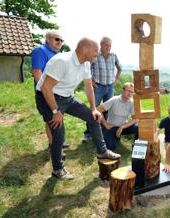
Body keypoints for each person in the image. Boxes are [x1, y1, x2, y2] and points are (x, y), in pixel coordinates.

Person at [35, 38, 121, 180]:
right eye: (95, 51)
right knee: (59, 134)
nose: (98, 54)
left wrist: (94, 108)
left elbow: (88, 86)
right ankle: (57, 169)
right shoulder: (62, 61)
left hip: (68, 98)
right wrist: (56, 111)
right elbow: (46, 88)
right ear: (84, 50)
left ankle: (102, 151)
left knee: (94, 118)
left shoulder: (86, 63)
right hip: (47, 98)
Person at [31, 31, 70, 150]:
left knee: (58, 118)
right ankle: (54, 146)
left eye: (61, 40)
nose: (59, 42)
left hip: (58, 93)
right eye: (56, 39)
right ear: (48, 39)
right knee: (51, 120)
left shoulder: (56, 54)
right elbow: (37, 72)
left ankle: (58, 142)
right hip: (47, 93)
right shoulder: (40, 50)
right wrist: (46, 91)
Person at [82, 36, 122, 143]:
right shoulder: (95, 55)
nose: (108, 47)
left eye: (110, 45)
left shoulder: (114, 56)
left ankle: (105, 131)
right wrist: (91, 82)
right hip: (98, 87)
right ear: (101, 45)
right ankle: (88, 133)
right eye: (106, 45)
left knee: (108, 110)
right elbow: (86, 68)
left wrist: (116, 80)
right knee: (93, 109)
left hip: (110, 87)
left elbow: (120, 68)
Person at [98, 82, 138, 150]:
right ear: (123, 90)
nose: (130, 94)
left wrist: (122, 127)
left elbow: (136, 119)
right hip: (111, 127)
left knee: (138, 126)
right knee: (110, 147)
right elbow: (98, 110)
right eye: (128, 91)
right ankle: (113, 136)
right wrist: (105, 124)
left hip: (123, 128)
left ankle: (136, 148)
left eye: (132, 92)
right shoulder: (114, 99)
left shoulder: (131, 103)